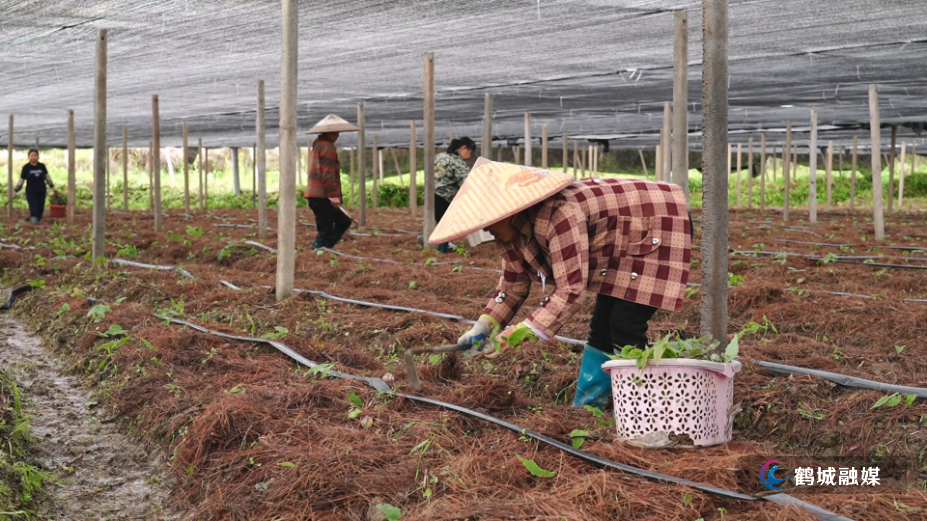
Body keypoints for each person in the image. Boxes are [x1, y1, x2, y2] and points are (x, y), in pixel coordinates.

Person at [430, 158, 692, 409]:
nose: (485, 228)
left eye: (488, 220)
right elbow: (512, 285)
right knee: (602, 325)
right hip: (618, 239)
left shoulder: (559, 214)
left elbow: (570, 290)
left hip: (655, 222)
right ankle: (590, 408)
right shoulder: (511, 234)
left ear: (510, 211)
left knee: (625, 324)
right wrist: (482, 327)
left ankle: (650, 409)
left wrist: (521, 331)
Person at [304, 114, 359, 250]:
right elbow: (327, 173)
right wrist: (333, 194)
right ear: (329, 133)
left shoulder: (318, 145)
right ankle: (318, 252)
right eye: (336, 132)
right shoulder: (328, 147)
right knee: (326, 231)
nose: (338, 135)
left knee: (343, 221)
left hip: (316, 196)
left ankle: (325, 249)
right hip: (322, 196)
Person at [431, 137, 476, 253]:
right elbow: (466, 183)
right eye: (470, 152)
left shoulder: (438, 157)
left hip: (430, 194)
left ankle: (428, 241)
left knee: (439, 222)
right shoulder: (457, 162)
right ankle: (441, 250)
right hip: (444, 197)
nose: (469, 156)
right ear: (464, 148)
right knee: (447, 225)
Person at [13, 149, 58, 224]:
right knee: (34, 208)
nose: (33, 157)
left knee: (40, 208)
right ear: (29, 157)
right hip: (31, 191)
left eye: (35, 155)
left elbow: (47, 178)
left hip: (41, 191)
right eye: (32, 155)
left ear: (38, 157)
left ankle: (38, 221)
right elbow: (21, 180)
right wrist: (15, 190)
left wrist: (52, 187)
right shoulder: (26, 167)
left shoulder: (42, 166)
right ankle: (33, 223)